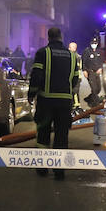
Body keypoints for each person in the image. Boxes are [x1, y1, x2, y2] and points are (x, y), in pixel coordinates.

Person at [28, 26, 82, 179]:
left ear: (48, 37)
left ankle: (42, 168)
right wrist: (68, 92)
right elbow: (75, 79)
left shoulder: (43, 53)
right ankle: (59, 171)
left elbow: (36, 76)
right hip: (64, 103)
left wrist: (31, 94)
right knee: (61, 136)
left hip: (46, 102)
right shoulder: (72, 56)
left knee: (43, 136)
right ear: (61, 37)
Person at [81, 40, 104, 104]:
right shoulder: (87, 51)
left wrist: (100, 68)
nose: (94, 44)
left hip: (97, 72)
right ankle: (95, 103)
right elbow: (83, 61)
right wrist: (84, 70)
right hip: (90, 72)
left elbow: (101, 61)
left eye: (95, 43)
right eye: (93, 43)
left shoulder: (98, 51)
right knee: (94, 88)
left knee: (98, 88)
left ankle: (89, 99)